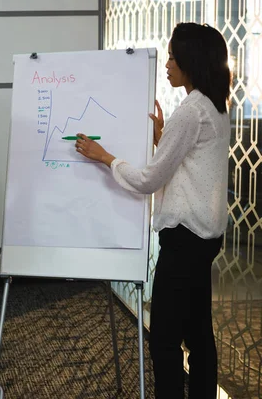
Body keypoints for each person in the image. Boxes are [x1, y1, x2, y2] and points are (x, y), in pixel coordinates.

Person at [75, 23, 231, 398]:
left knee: (164, 338)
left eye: (174, 57)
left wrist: (104, 157)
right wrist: (165, 138)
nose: (168, 65)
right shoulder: (214, 105)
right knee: (198, 334)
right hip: (205, 236)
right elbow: (193, 163)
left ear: (191, 61)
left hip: (184, 239)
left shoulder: (191, 111)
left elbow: (147, 179)